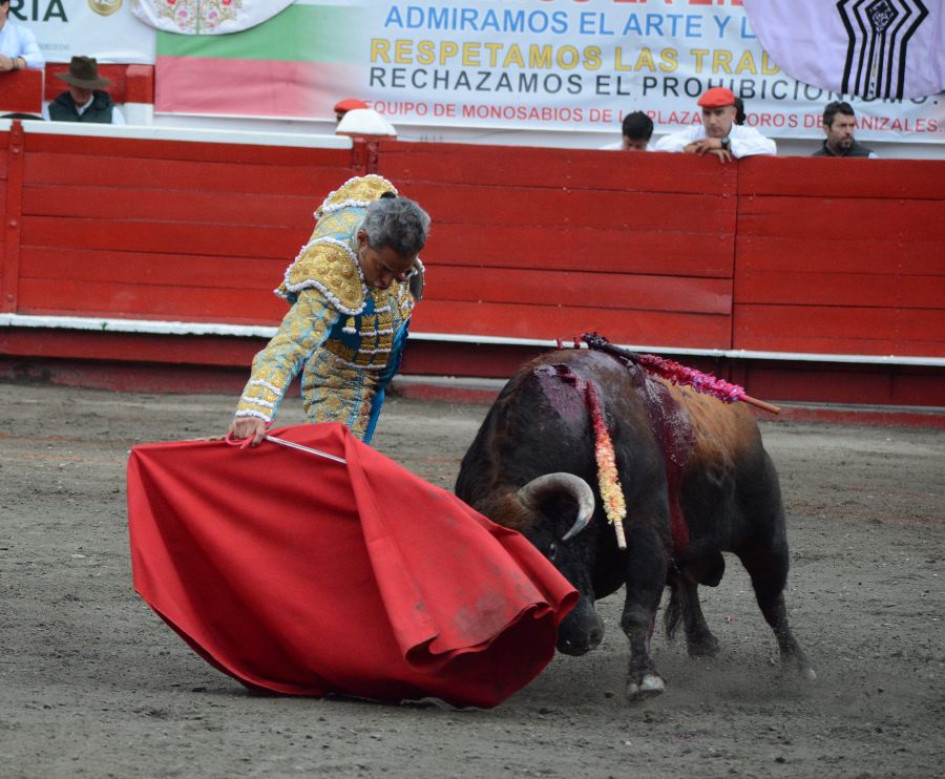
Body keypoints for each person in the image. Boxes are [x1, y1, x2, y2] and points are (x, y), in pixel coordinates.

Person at [228, 174, 429, 446]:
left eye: (401, 273)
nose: (386, 283)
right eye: (382, 268)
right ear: (363, 239)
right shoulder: (329, 273)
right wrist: (254, 409)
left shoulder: (378, 199)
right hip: (342, 373)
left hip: (385, 355)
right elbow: (288, 345)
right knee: (339, 468)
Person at [653, 87, 776, 162]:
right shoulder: (695, 132)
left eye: (718, 113)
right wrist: (697, 148)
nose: (712, 121)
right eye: (706, 113)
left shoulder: (744, 133)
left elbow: (770, 148)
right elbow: (660, 145)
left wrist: (723, 143)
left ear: (733, 114)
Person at [812, 101, 877, 158]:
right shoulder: (814, 161)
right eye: (842, 126)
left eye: (851, 125)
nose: (848, 131)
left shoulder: (869, 158)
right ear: (826, 129)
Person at [0, 0, 43, 72]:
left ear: (5, 7)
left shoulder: (22, 33)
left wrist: (12, 63)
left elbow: (38, 60)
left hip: (11, 82)